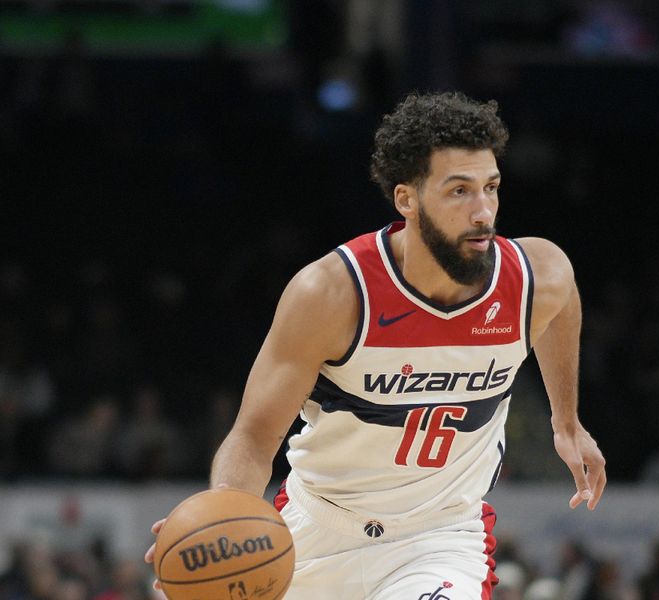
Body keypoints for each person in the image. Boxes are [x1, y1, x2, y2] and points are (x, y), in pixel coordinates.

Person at [145, 91, 606, 599]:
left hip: (439, 538)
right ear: (406, 199)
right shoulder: (333, 294)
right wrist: (223, 516)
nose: (483, 211)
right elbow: (254, 437)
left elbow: (564, 304)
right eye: (459, 191)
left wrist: (567, 421)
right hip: (315, 532)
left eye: (491, 188)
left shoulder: (534, 275)